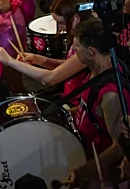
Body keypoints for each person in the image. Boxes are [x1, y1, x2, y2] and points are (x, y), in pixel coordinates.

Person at [65, 18, 130, 186]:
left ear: (92, 52)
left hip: (102, 175)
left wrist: (84, 171)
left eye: (77, 46)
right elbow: (89, 110)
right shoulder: (96, 71)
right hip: (86, 152)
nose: (72, 48)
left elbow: (119, 146)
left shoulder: (111, 95)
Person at [0, 0, 92, 93]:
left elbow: (52, 78)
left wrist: (10, 61)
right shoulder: (79, 36)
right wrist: (38, 59)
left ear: (75, 18)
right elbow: (68, 66)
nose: (60, 28)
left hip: (77, 101)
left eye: (61, 23)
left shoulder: (87, 44)